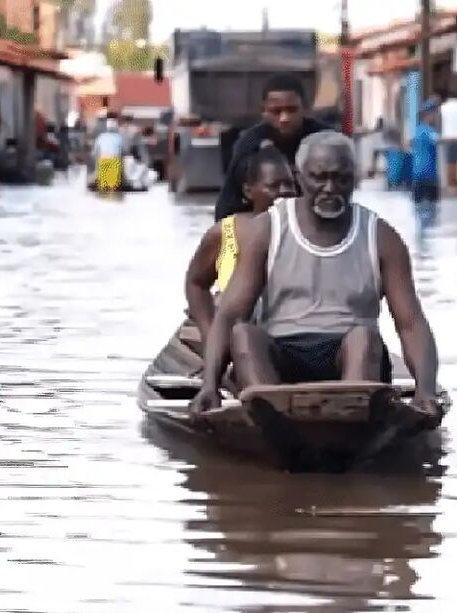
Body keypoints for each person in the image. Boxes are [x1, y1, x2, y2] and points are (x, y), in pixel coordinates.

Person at [189, 131, 443, 427]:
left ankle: (350, 422)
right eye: (319, 178)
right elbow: (230, 314)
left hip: (350, 358)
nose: (330, 188)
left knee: (364, 337)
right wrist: (210, 384)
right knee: (243, 334)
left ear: (355, 178)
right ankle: (272, 420)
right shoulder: (267, 229)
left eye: (341, 179)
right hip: (283, 356)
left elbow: (411, 323)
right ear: (300, 178)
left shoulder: (381, 237)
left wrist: (425, 390)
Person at [185, 147, 295, 341]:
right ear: (248, 191)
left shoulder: (305, 231)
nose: (284, 192)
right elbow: (196, 283)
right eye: (274, 186)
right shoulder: (224, 232)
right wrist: (209, 332)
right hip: (237, 335)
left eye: (289, 184)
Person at [214, 74, 330, 221]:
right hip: (264, 222)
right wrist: (235, 232)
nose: (284, 118)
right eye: (276, 111)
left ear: (305, 109)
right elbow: (228, 203)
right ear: (264, 111)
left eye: (292, 110)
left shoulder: (325, 140)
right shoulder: (249, 144)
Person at [412, 99, 441, 209]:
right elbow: (439, 140)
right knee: (433, 208)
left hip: (417, 174)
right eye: (435, 114)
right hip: (428, 174)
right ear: (429, 114)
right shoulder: (429, 131)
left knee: (417, 209)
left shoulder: (417, 130)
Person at [438, 90, 457, 193]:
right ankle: (456, 183)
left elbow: (439, 123)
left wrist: (440, 135)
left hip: (447, 138)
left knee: (449, 162)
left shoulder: (443, 107)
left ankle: (450, 184)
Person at [91, 117, 124, 191]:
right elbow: (122, 151)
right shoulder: (119, 137)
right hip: (114, 161)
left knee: (104, 187)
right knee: (112, 187)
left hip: (103, 161)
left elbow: (95, 152)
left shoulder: (100, 137)